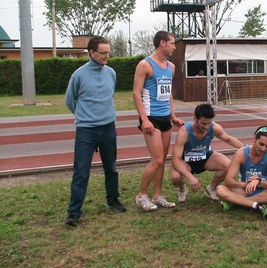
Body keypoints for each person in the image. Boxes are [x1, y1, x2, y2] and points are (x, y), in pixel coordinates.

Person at [64, 36, 126, 227]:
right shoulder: (79, 75)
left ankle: (113, 200)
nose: (107, 56)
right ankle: (74, 212)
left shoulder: (111, 73)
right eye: (103, 53)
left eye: (109, 52)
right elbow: (70, 100)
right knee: (81, 172)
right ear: (92, 53)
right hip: (86, 130)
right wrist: (85, 117)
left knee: (111, 168)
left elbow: (109, 95)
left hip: (108, 128)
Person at [133, 30, 185, 211]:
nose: (174, 47)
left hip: (164, 118)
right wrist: (144, 119)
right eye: (172, 43)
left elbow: (168, 93)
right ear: (162, 43)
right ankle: (141, 196)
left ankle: (157, 195)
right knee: (157, 160)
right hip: (151, 118)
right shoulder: (145, 65)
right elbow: (136, 93)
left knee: (162, 158)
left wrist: (173, 116)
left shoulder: (170, 67)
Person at [171, 103, 244, 203]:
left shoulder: (214, 127)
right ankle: (182, 189)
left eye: (209, 123)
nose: (206, 126)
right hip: (187, 160)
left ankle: (211, 188)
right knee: (175, 177)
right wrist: (190, 177)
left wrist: (246, 148)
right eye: (203, 123)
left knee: (228, 166)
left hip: (205, 157)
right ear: (195, 118)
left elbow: (228, 139)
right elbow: (175, 160)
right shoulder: (184, 132)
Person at [216, 126, 267, 219]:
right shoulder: (241, 153)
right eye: (261, 144)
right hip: (243, 190)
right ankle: (258, 205)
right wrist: (245, 184)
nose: (263, 149)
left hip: (262, 192)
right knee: (220, 189)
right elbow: (228, 180)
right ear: (254, 139)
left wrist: (259, 181)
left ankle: (236, 202)